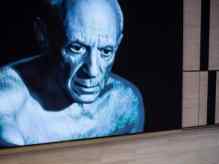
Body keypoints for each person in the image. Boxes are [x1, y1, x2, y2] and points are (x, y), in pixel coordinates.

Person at [0, 0, 144, 147]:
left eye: (106, 51)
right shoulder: (10, 99)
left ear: (118, 44)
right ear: (43, 34)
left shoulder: (123, 103)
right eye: (76, 48)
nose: (92, 70)